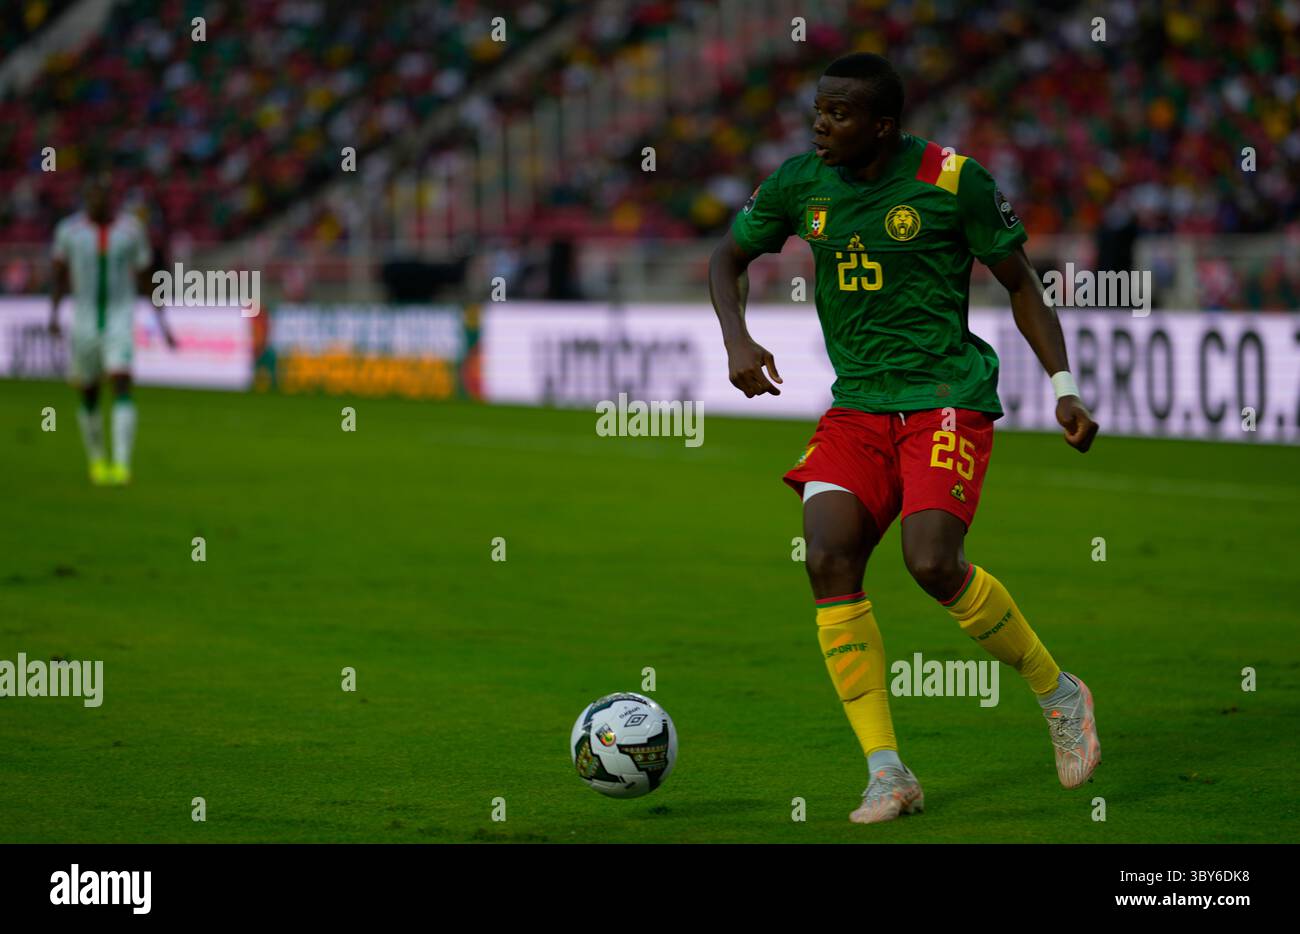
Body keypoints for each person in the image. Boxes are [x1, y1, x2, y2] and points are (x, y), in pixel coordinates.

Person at [708, 53, 1101, 824]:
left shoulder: (954, 181)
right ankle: (888, 773)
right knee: (827, 556)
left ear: (883, 125)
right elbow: (726, 258)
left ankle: (1059, 693)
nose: (821, 124)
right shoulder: (797, 184)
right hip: (858, 407)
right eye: (818, 109)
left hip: (944, 399)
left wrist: (1064, 388)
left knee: (931, 562)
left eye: (841, 114)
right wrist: (737, 342)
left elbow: (1021, 282)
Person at [49, 170, 174, 485]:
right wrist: (53, 314)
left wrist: (162, 321)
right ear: (86, 198)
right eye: (93, 195)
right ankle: (96, 460)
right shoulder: (69, 231)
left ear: (111, 199)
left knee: (121, 381)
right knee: (89, 391)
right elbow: (60, 275)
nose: (98, 201)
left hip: (120, 317)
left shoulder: (131, 231)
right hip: (84, 321)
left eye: (103, 195)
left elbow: (146, 276)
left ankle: (122, 464)